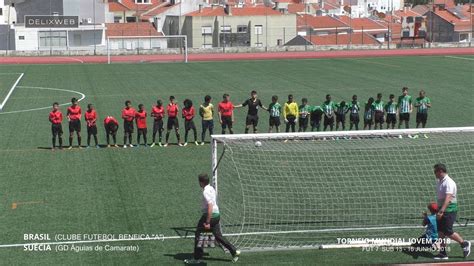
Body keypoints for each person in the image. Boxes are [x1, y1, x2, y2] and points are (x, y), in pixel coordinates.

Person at [184, 173, 240, 264]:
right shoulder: (212, 189)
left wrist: (207, 222)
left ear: (201, 182)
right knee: (218, 236)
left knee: (198, 234)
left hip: (210, 216)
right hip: (217, 215)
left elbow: (210, 206)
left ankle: (197, 258)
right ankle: (234, 251)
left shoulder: (205, 191)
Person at [433, 163, 471, 260]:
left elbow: (448, 197)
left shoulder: (449, 182)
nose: (434, 173)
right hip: (442, 209)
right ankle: (442, 253)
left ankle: (464, 244)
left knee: (447, 231)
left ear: (440, 171)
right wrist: (438, 209)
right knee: (440, 231)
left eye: (435, 171)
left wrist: (441, 211)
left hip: (449, 210)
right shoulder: (440, 181)